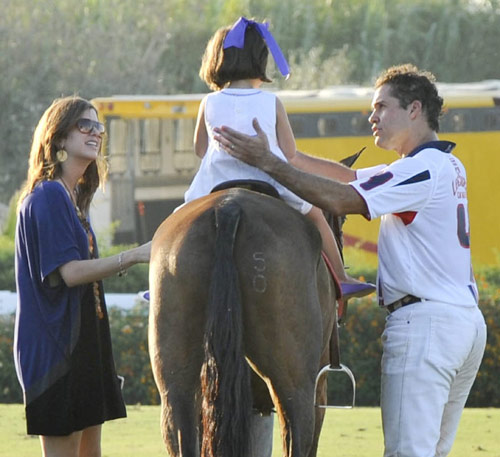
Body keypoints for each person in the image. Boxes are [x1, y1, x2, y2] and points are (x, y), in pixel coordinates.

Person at [215, 63, 487, 457]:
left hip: (429, 325)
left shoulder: (422, 168)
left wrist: (270, 165)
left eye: (381, 107)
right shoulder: (439, 163)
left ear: (414, 109)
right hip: (459, 321)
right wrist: (283, 153)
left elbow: (344, 199)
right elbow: (349, 179)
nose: (372, 117)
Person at [184, 16, 374, 299]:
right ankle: (342, 278)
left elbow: (200, 149)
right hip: (268, 178)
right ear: (261, 60)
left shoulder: (208, 102)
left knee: (178, 223)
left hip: (215, 181)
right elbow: (290, 154)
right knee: (317, 216)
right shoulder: (271, 101)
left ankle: (163, 282)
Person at [14, 96, 151, 457]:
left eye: (98, 127)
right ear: (58, 138)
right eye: (84, 125)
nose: (95, 133)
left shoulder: (72, 197)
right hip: (57, 350)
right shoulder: (46, 196)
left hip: (86, 343)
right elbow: (72, 273)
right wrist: (134, 255)